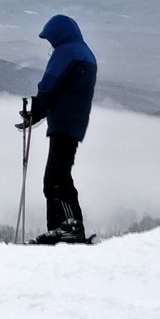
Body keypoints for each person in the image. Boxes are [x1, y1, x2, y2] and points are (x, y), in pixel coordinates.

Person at [17, 14, 98, 244]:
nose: (50, 46)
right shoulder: (83, 52)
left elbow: (50, 84)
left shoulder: (67, 51)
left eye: (51, 40)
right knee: (57, 175)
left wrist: (37, 106)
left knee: (56, 177)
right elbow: (64, 90)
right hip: (73, 121)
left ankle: (69, 227)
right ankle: (61, 228)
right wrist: (39, 111)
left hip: (64, 121)